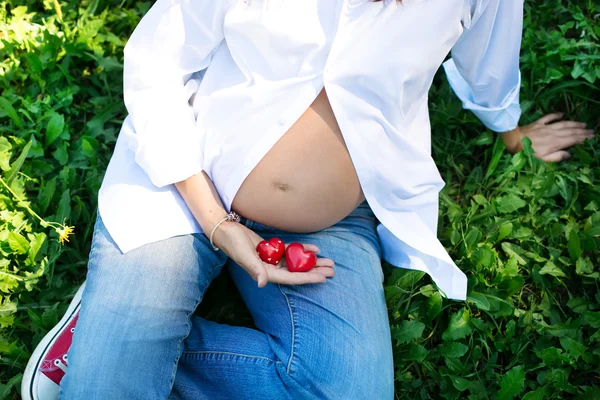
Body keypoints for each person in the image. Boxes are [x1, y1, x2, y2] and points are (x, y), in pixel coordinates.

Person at [22, 0, 594, 399]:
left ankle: (110, 336)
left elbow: (489, 56)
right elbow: (157, 65)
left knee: (345, 391)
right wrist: (218, 224)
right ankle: (116, 338)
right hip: (189, 181)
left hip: (328, 227)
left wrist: (510, 129)